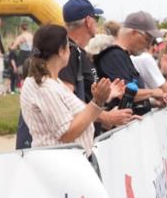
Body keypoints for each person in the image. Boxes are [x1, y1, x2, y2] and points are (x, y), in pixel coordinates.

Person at [21, 24, 128, 155]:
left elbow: (74, 113)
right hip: (62, 165)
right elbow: (67, 134)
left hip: (68, 162)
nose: (70, 51)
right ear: (61, 51)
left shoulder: (51, 81)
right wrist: (97, 103)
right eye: (68, 47)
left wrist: (103, 97)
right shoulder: (44, 87)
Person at [8, 20, 33, 93]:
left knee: (21, 72)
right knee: (30, 72)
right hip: (31, 54)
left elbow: (13, 47)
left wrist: (11, 47)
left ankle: (22, 88)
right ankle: (29, 89)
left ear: (20, 28)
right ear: (27, 28)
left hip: (23, 55)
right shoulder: (31, 36)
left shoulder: (21, 37)